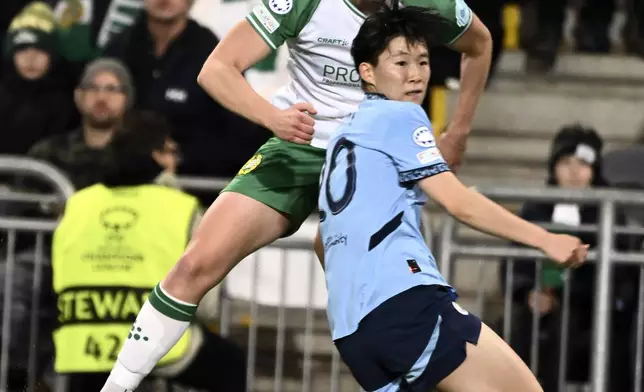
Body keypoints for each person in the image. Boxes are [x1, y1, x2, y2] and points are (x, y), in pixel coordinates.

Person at [101, 0, 492, 389]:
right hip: (297, 147)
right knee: (194, 266)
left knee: (387, 312)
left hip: (373, 158)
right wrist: (271, 116)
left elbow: (480, 43)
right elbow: (217, 69)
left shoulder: (429, 5)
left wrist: (459, 131)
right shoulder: (305, 3)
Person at [317, 5, 587, 391]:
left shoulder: (343, 137)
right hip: (405, 304)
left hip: (353, 331)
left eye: (423, 61)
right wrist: (546, 240)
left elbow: (322, 241)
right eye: (401, 62)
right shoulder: (401, 116)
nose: (416, 75)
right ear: (367, 72)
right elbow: (459, 203)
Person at [53, 111, 246, 392]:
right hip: (153, 343)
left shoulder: (78, 204)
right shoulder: (181, 208)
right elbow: (207, 306)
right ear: (155, 155)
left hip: (81, 344)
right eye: (171, 151)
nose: (176, 161)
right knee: (229, 363)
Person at [498, 125, 639, 391]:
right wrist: (527, 291)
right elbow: (513, 260)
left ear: (595, 169)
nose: (574, 172)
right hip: (538, 311)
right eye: (565, 163)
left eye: (583, 164)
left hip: (591, 313)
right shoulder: (536, 208)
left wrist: (573, 291)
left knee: (570, 325)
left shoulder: (608, 213)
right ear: (553, 167)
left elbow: (620, 274)